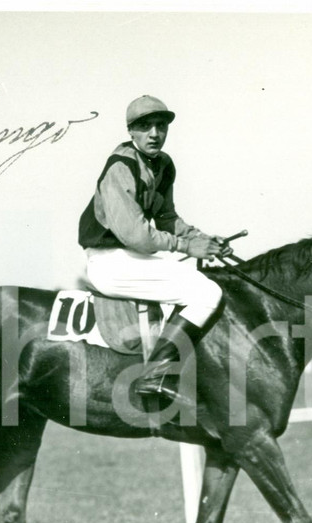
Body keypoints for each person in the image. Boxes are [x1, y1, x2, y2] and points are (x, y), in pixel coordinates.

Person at [78, 95, 229, 404]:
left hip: (131, 256)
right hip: (110, 261)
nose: (155, 134)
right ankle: (153, 375)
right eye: (145, 127)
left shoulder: (163, 164)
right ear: (131, 131)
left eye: (161, 126)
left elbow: (166, 218)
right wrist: (189, 246)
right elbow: (138, 235)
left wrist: (204, 241)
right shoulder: (121, 166)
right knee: (207, 294)